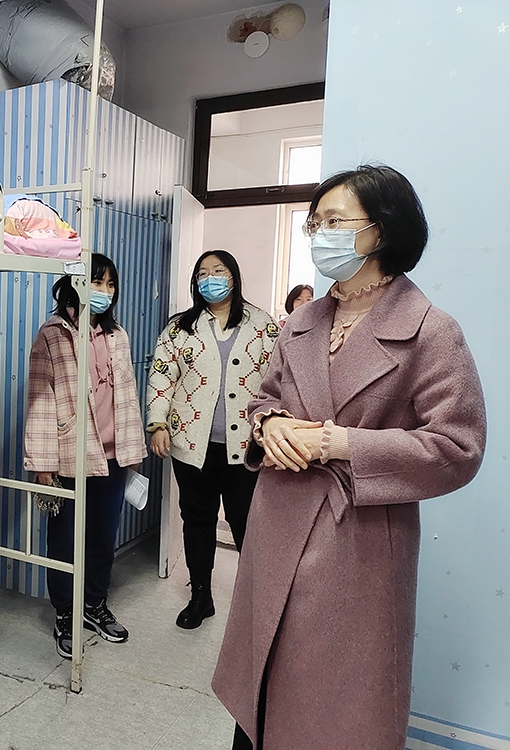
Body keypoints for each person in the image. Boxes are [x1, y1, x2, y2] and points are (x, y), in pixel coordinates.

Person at [212, 165, 486, 750]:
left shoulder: (431, 331)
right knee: (261, 694)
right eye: (314, 223)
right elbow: (261, 400)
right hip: (277, 525)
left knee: (335, 708)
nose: (319, 235)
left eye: (334, 222)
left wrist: (343, 444)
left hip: (356, 548)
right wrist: (270, 425)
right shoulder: (300, 322)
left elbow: (458, 446)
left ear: (380, 230)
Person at [146, 250, 279, 630]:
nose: (210, 279)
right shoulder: (179, 328)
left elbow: (279, 381)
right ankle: (201, 596)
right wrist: (157, 424)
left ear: (233, 277)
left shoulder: (263, 325)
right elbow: (161, 377)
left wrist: (276, 429)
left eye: (218, 271)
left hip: (248, 448)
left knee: (246, 522)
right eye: (203, 273)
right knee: (197, 519)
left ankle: (256, 602)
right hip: (192, 446)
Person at [24, 253, 147, 657]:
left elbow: (127, 396)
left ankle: (94, 605)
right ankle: (65, 612)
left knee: (103, 537)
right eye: (97, 282)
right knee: (64, 540)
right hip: (70, 456)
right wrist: (43, 465)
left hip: (112, 456)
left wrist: (132, 448)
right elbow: (40, 400)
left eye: (110, 285)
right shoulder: (52, 334)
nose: (105, 292)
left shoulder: (118, 335)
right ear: (76, 284)